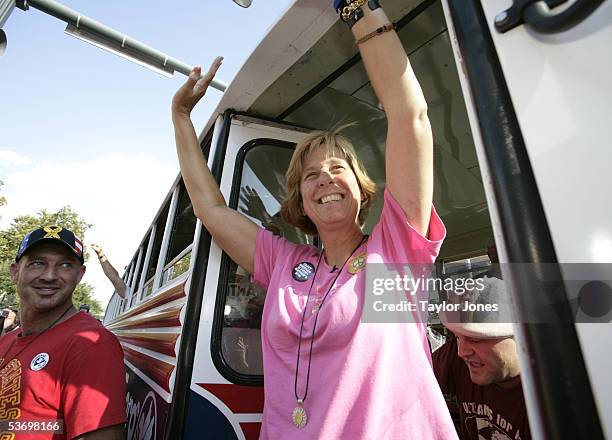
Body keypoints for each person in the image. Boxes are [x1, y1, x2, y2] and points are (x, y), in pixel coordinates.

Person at [171, 1, 457, 438]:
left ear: (362, 190)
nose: (325, 178)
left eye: (338, 168)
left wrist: (359, 8)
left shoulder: (395, 251)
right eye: (311, 175)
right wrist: (181, 118)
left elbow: (409, 115)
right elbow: (211, 210)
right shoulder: (284, 263)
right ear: (302, 203)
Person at [1, 225, 127, 439]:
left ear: (79, 275)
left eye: (65, 265)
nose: (49, 276)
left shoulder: (91, 345)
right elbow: (35, 423)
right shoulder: (7, 340)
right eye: (37, 263)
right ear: (15, 271)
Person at [433, 277, 532, 440]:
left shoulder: (547, 396)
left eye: (476, 339)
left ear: (522, 337)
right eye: (458, 337)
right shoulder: (458, 359)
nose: (462, 352)